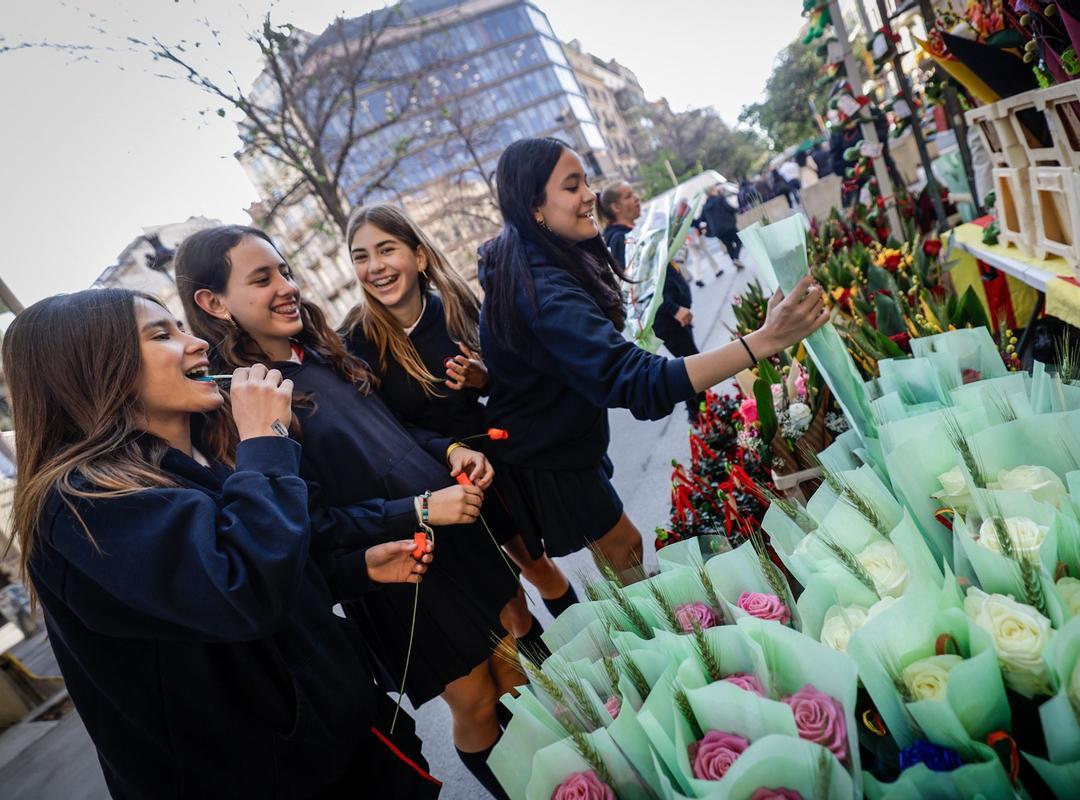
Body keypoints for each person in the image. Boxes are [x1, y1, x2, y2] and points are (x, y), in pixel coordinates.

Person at [2, 289, 440, 799]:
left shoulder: (188, 462)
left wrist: (354, 569)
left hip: (339, 746)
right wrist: (264, 441)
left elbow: (246, 584)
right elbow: (241, 591)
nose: (196, 344)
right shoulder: (84, 503)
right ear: (93, 368)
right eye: (162, 335)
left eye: (181, 327)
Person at [175, 226, 519, 797]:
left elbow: (392, 433)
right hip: (401, 571)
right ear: (213, 304)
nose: (286, 287)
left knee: (512, 674)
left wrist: (451, 449)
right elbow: (309, 527)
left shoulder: (323, 348)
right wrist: (421, 508)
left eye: (284, 271)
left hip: (454, 534)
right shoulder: (245, 407)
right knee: (479, 702)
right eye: (262, 279)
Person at [477, 137, 830, 579]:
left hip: (562, 439)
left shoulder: (532, 263)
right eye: (572, 187)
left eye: (587, 181)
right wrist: (763, 340)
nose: (589, 195)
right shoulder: (542, 291)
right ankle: (653, 640)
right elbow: (640, 382)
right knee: (624, 548)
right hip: (548, 454)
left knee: (619, 551)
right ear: (534, 208)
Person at [340, 203, 579, 632]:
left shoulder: (456, 308)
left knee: (538, 569)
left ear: (419, 257)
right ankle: (562, 693)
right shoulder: (355, 342)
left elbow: (510, 385)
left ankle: (607, 659)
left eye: (386, 250)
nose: (375, 266)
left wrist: (483, 379)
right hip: (427, 489)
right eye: (361, 256)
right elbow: (379, 428)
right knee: (509, 605)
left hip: (488, 470)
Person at [599, 192, 706, 424]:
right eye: (628, 196)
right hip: (666, 316)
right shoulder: (620, 240)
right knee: (694, 371)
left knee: (692, 367)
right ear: (615, 207)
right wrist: (672, 308)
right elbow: (639, 285)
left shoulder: (629, 234)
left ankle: (703, 420)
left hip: (672, 313)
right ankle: (704, 424)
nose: (637, 198)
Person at [698, 184, 745, 269]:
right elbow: (729, 208)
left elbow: (702, 220)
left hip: (717, 231)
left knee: (728, 245)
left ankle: (735, 261)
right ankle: (736, 258)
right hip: (728, 226)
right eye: (715, 190)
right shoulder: (719, 199)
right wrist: (738, 210)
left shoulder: (705, 207)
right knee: (739, 240)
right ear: (712, 191)